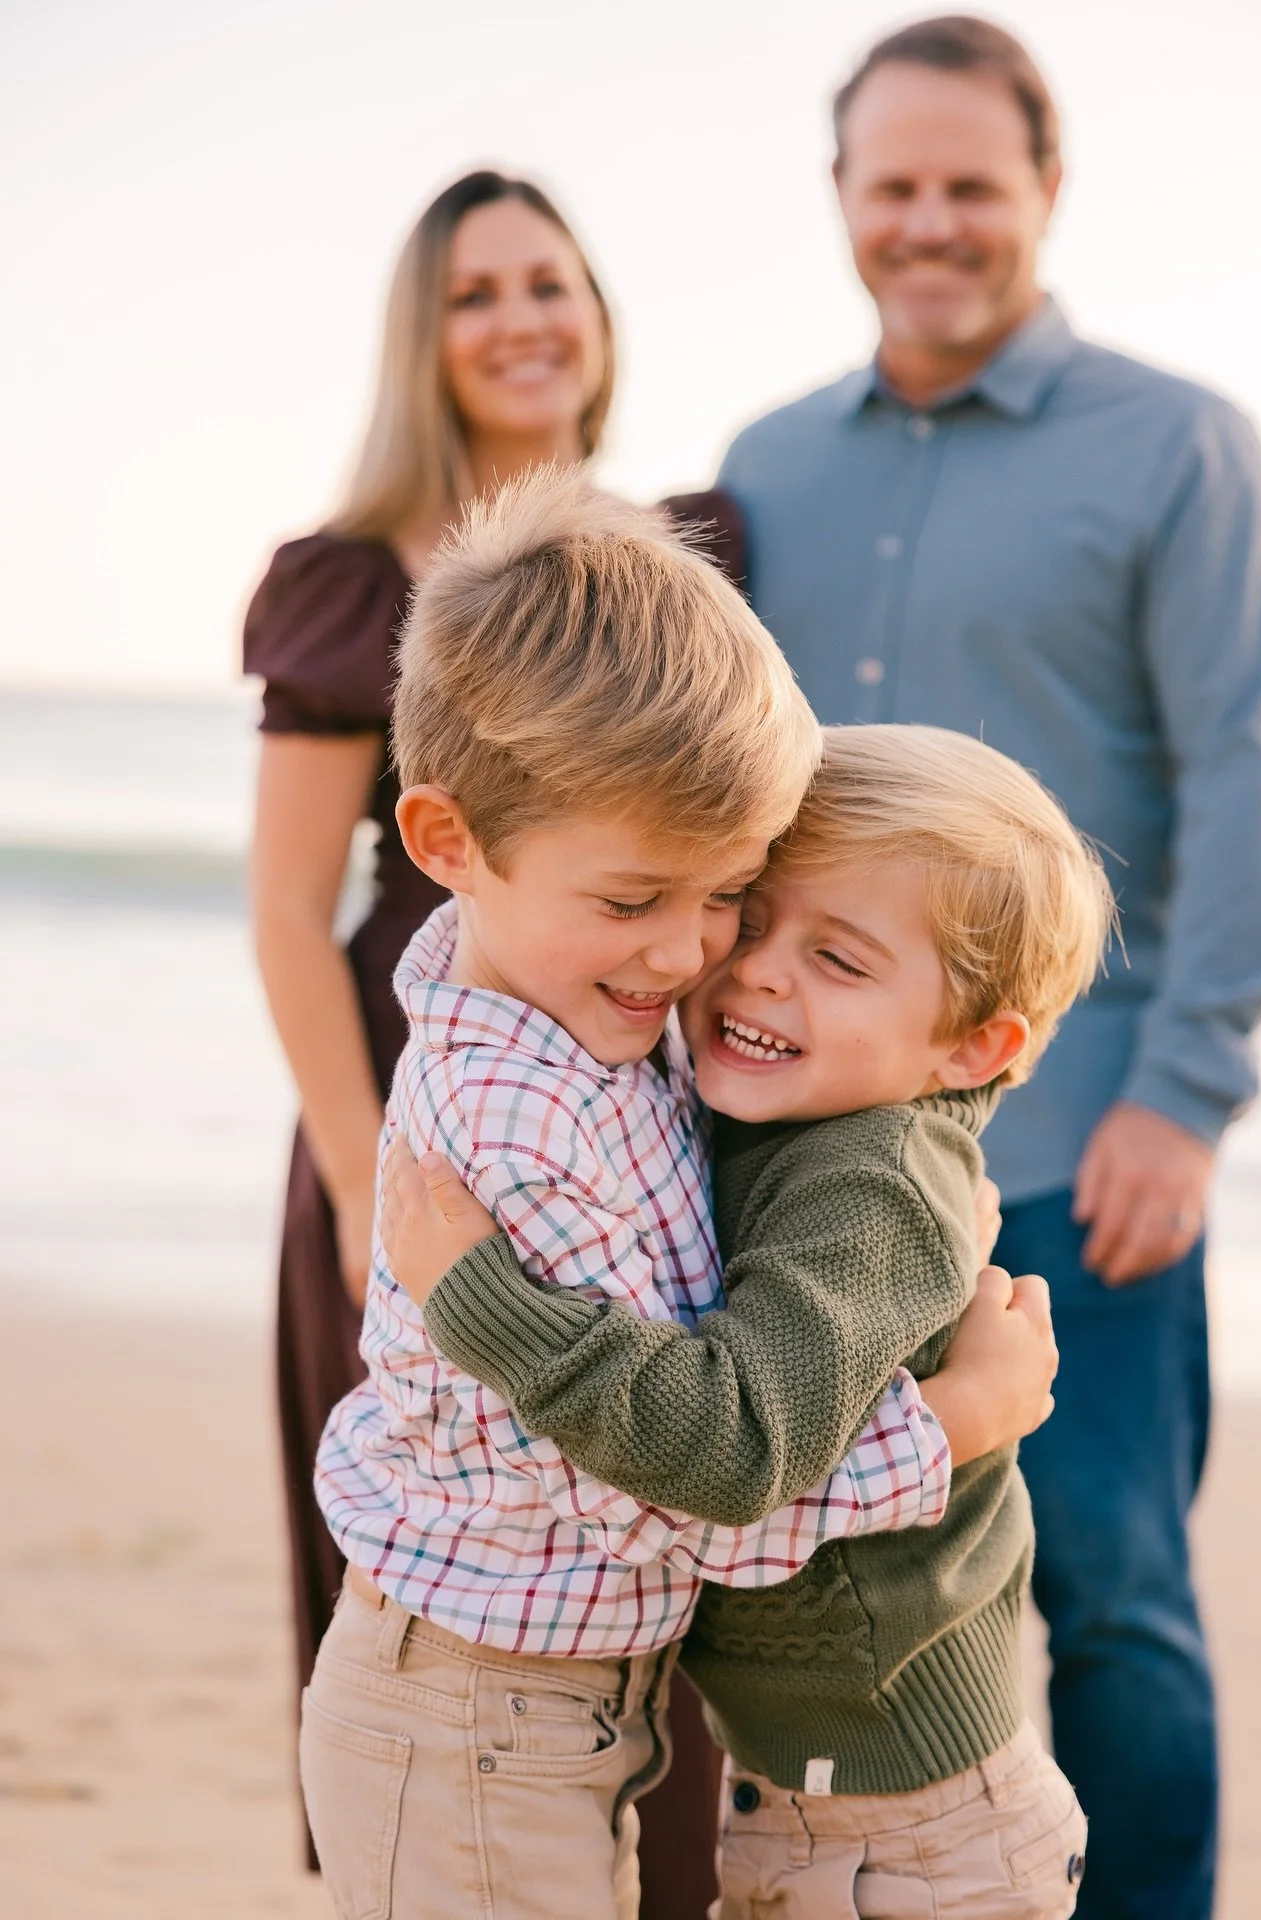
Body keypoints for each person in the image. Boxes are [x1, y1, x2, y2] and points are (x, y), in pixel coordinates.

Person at [706, 19, 1261, 1917]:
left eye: (972, 183)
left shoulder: (1180, 447)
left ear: (1046, 189)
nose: (932, 222)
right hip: (810, 1160)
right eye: (894, 185)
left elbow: (1251, 773)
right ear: (840, 202)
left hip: (1078, 1142)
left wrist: (1186, 1094)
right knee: (829, 1595)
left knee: (1111, 1597)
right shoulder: (767, 464)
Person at [302, 470, 1043, 1920]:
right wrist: (956, 1422)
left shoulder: (559, 999)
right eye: (638, 900)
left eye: (730, 893)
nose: (691, 954)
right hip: (470, 1717)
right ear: (446, 846)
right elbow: (696, 1499)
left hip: (533, 1704)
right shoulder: (529, 1129)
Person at [382, 723, 1112, 1917]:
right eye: (749, 910)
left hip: (912, 1839)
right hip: (823, 1797)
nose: (758, 970)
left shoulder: (869, 1189)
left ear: (972, 1045)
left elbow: (730, 1447)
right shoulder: (771, 1106)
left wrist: (480, 1301)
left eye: (841, 958)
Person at [242, 168, 740, 1903]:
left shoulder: (689, 554)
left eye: (552, 281)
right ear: (424, 340)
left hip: (646, 1116)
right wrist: (374, 1182)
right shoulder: (347, 583)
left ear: (598, 314)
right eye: (476, 294)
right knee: (425, 1559)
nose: (522, 318)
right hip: (416, 1130)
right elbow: (292, 913)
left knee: (667, 1554)